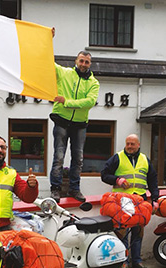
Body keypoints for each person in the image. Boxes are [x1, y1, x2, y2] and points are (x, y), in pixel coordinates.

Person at [49, 27, 100, 203]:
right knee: (59, 157)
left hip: (79, 124)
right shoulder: (64, 73)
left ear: (90, 64)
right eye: (81, 61)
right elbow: (48, 61)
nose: (84, 64)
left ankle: (74, 189)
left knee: (78, 159)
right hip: (62, 120)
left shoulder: (94, 83)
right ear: (76, 61)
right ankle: (55, 189)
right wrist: (49, 39)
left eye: (87, 62)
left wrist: (67, 101)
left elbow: (89, 102)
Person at [100, 134, 159, 268]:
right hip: (122, 201)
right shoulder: (117, 157)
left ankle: (137, 260)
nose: (130, 146)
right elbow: (104, 174)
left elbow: (153, 180)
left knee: (138, 231)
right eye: (128, 144)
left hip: (140, 200)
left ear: (138, 145)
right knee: (122, 232)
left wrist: (155, 199)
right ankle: (123, 262)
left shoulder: (145, 159)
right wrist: (117, 180)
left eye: (132, 144)